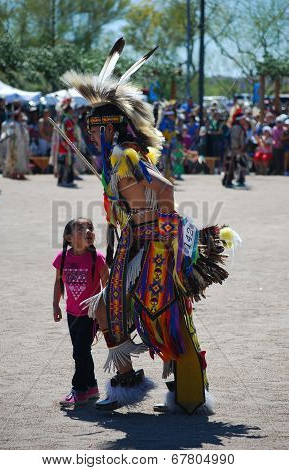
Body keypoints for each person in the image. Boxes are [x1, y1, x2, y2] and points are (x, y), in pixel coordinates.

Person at [62, 38, 238, 414]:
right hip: (134, 242)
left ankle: (186, 392)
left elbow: (165, 188)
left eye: (96, 129)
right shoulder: (120, 158)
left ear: (109, 127)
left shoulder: (125, 154)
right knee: (111, 308)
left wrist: (164, 229)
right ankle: (129, 383)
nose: (91, 135)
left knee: (162, 313)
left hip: (152, 244)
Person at [53, 218, 109, 406]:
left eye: (90, 228)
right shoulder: (62, 258)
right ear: (68, 238)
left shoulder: (97, 258)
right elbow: (58, 282)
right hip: (71, 313)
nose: (88, 231)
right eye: (81, 229)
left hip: (90, 314)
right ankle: (92, 387)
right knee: (83, 351)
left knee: (80, 351)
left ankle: (79, 390)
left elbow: (108, 285)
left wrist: (106, 311)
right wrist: (55, 305)